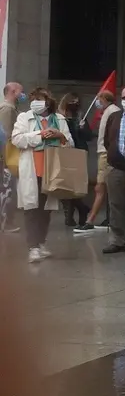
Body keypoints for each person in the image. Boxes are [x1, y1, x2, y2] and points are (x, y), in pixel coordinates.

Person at [12, 88, 72, 263]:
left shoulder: (59, 119)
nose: (35, 103)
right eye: (33, 100)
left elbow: (70, 143)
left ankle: (41, 243)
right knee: (31, 208)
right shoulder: (24, 118)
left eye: (39, 100)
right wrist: (40, 135)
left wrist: (60, 135)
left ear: (48, 102)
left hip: (52, 171)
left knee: (46, 209)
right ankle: (33, 247)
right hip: (32, 169)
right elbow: (17, 139)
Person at [101, 86, 125, 254]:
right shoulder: (114, 117)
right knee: (115, 205)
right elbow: (107, 140)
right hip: (115, 168)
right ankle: (117, 241)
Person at [80, 89, 119, 233]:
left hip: (105, 153)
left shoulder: (112, 111)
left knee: (100, 186)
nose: (97, 102)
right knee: (105, 187)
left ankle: (90, 220)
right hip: (103, 152)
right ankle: (107, 219)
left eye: (99, 99)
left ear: (104, 99)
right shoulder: (108, 112)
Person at [57, 93, 91, 230]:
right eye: (72, 102)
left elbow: (89, 136)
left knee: (74, 186)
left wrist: (83, 128)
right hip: (64, 152)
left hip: (79, 152)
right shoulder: (59, 117)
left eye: (77, 102)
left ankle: (73, 214)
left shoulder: (81, 117)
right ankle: (79, 210)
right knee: (63, 185)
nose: (74, 105)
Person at [1, 82, 26, 234]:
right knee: (7, 190)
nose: (22, 95)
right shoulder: (7, 109)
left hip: (6, 156)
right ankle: (6, 222)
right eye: (20, 92)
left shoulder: (11, 109)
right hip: (7, 157)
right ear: (13, 91)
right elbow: (6, 136)